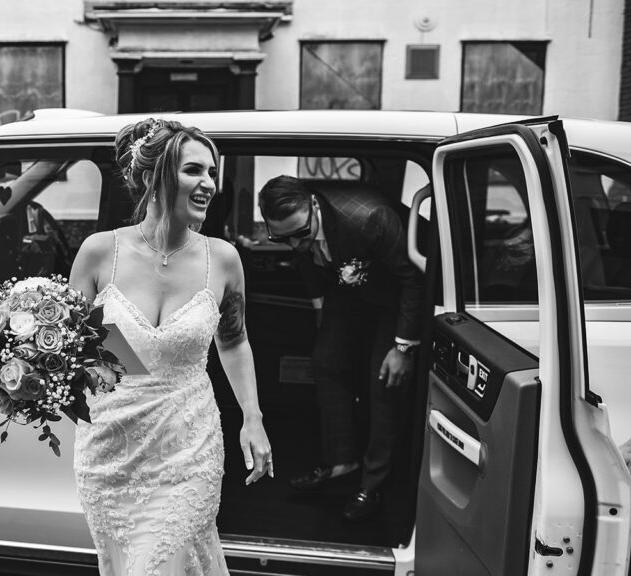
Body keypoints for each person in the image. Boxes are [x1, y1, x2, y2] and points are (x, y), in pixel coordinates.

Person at [69, 118, 274, 575]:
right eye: (193, 171)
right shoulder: (99, 253)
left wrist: (252, 418)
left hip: (189, 448)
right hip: (111, 452)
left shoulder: (222, 259)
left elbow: (235, 342)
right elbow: (83, 349)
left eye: (212, 172)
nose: (209, 184)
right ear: (152, 178)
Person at [258, 175, 423, 522]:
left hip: (391, 299)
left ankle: (373, 482)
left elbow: (412, 280)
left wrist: (403, 348)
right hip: (345, 297)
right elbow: (306, 259)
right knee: (326, 361)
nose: (295, 245)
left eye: (301, 234)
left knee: (384, 383)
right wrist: (320, 308)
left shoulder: (370, 218)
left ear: (313, 207)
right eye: (281, 238)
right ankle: (341, 461)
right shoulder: (299, 234)